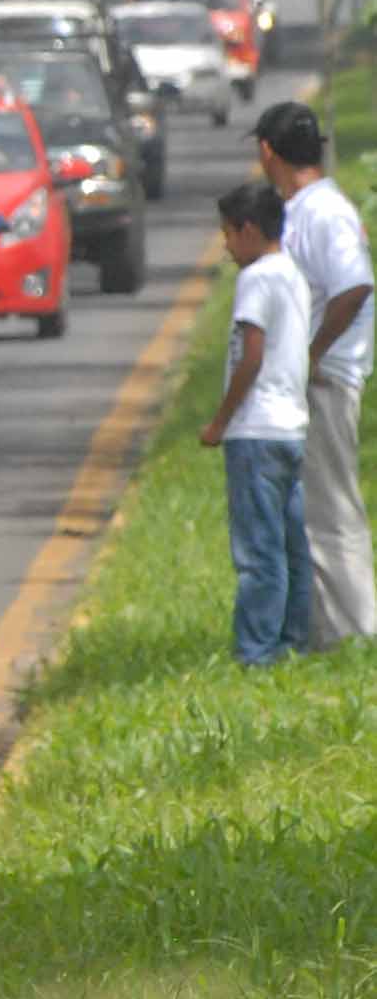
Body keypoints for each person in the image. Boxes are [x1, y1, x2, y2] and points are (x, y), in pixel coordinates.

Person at [255, 101, 375, 645]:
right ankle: (326, 631)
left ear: (267, 153)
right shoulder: (305, 209)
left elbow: (355, 284)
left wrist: (314, 351)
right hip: (311, 384)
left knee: (333, 513)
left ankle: (359, 631)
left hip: (328, 382)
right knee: (312, 515)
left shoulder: (323, 212)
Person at [201, 181, 313, 667]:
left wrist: (220, 421)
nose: (225, 245)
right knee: (291, 546)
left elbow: (251, 356)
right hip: (290, 427)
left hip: (256, 429)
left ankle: (257, 651)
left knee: (258, 553)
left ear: (248, 229)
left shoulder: (257, 278)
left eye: (228, 233)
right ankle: (292, 640)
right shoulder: (291, 272)